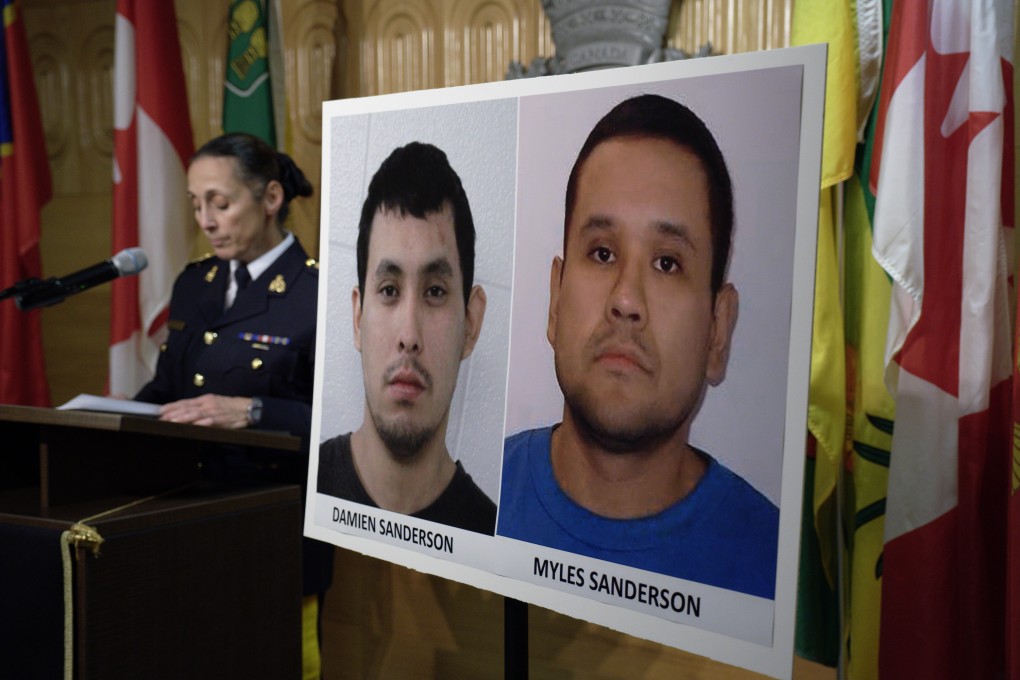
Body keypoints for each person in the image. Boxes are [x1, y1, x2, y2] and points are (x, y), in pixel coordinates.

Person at [496, 94, 779, 600]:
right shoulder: (465, 504)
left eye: (667, 263)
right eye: (602, 253)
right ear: (555, 300)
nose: (626, 299)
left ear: (718, 329)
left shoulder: (779, 573)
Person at [134, 132, 333, 675]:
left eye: (220, 203)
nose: (206, 219)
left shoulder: (324, 293)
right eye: (197, 204)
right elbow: (166, 390)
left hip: (273, 531)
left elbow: (350, 430)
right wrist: (98, 418)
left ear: (270, 198)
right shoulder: (195, 284)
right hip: (186, 521)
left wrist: (253, 411)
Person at [317, 142, 497, 535]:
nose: (409, 337)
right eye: (388, 290)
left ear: (471, 323)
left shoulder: (494, 540)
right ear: (357, 316)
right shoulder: (301, 493)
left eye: (435, 291)